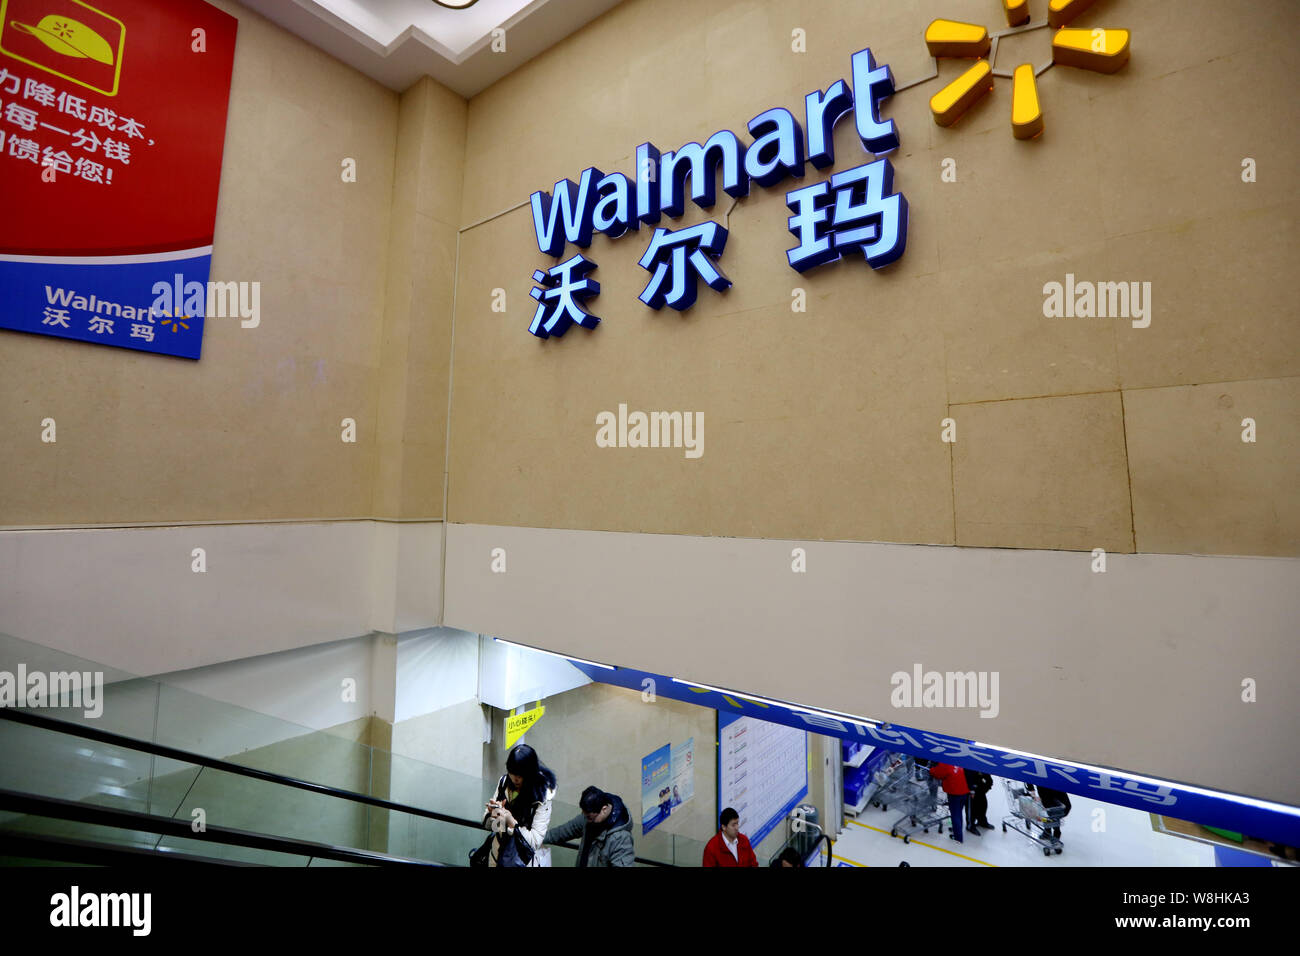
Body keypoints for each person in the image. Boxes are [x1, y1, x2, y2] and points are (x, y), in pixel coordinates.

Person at [483, 743, 557, 867]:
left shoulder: (542, 796)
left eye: (520, 775)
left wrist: (511, 822)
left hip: (522, 862)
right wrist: (494, 814)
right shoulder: (504, 783)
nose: (515, 779)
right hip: (497, 858)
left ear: (530, 773)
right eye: (512, 773)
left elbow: (535, 842)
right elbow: (493, 828)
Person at [544, 785, 635, 867]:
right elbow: (563, 831)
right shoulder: (590, 815)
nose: (586, 820)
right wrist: (538, 839)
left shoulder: (621, 838)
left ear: (604, 809)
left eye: (589, 817)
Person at [929, 762, 969, 843]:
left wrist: (931, 770)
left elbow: (938, 773)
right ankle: (958, 831)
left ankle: (958, 837)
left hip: (954, 793)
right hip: (964, 791)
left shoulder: (946, 763)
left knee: (955, 815)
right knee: (958, 813)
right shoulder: (959, 762)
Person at [965, 770, 995, 835]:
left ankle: (982, 822)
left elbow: (988, 778)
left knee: (983, 806)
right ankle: (970, 825)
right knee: (972, 808)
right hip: (972, 789)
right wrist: (971, 790)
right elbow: (968, 776)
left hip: (981, 789)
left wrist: (988, 786)